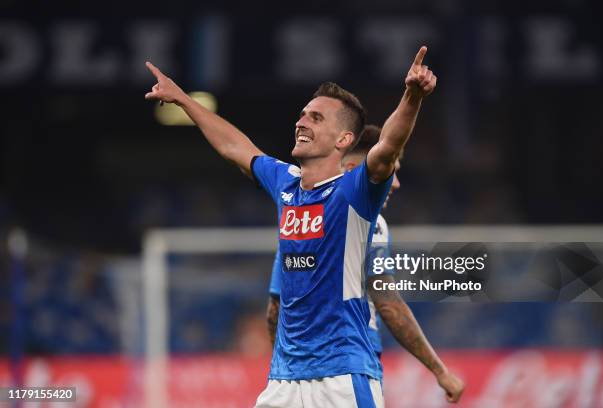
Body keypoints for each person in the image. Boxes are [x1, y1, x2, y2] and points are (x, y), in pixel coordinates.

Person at [145, 46, 458, 407]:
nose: (302, 122)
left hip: (342, 376)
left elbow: (388, 146)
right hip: (285, 380)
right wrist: (183, 99)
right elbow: (235, 145)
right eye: (303, 114)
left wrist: (412, 96)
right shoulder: (286, 183)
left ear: (343, 141)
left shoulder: (353, 193)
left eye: (316, 118)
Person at [266, 125, 464, 403]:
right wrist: (440, 371)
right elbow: (388, 303)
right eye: (390, 168)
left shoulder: (296, 219)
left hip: (292, 372)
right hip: (350, 365)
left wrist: (286, 368)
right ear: (352, 168)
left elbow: (274, 310)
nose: (394, 182)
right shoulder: (369, 223)